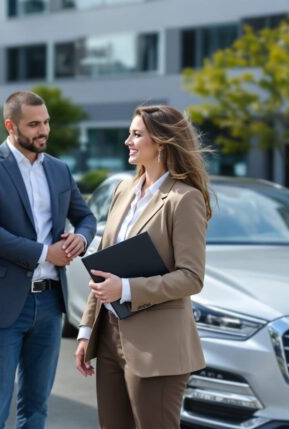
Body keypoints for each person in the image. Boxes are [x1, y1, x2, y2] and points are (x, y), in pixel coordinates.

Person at [73, 105, 212, 429]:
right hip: (109, 338)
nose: (127, 141)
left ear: (161, 143)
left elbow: (191, 277)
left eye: (136, 134)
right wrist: (86, 331)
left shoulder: (184, 198)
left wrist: (126, 288)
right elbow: (103, 266)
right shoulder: (124, 190)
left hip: (158, 348)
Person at [0, 91, 96, 429]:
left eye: (46, 122)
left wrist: (80, 238)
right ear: (11, 126)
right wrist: (45, 253)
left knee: (37, 407)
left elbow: (85, 217)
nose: (44, 131)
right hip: (2, 304)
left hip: (51, 303)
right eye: (34, 124)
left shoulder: (59, 169)